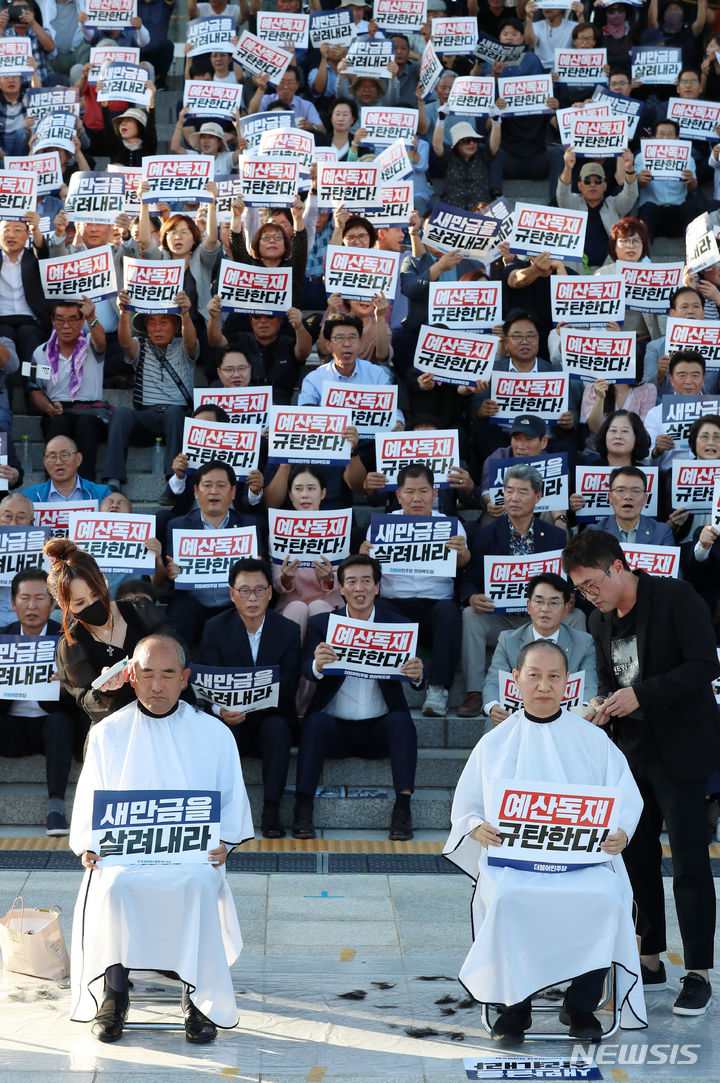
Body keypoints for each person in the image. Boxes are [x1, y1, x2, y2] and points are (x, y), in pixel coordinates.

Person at [443, 638, 645, 1041]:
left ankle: (581, 1005)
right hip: (515, 867)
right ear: (515, 680)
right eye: (533, 676)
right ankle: (514, 1008)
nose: (543, 685)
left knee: (605, 898)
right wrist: (474, 826)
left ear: (567, 683)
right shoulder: (494, 743)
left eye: (553, 677)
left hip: (582, 865)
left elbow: (626, 795)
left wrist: (622, 830)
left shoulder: (592, 739)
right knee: (504, 899)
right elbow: (466, 807)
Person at [563, 529, 720, 1016]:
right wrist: (603, 703)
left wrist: (643, 695)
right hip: (633, 752)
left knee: (691, 862)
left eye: (592, 585)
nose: (590, 596)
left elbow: (704, 665)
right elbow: (614, 677)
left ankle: (698, 972)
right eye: (583, 591)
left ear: (617, 566)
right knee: (637, 861)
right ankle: (649, 958)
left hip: (684, 749)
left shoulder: (675, 596)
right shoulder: (598, 620)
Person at [69, 634, 253, 1043]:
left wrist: (225, 841)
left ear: (184, 678)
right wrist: (88, 845)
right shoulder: (108, 733)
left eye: (167, 674)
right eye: (147, 673)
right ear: (130, 676)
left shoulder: (214, 733)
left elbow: (231, 799)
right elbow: (89, 800)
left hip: (190, 856)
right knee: (114, 884)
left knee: (201, 882)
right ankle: (114, 995)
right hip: (126, 856)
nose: (157, 685)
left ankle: (198, 998)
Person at [295, 554, 424, 841]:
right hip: (335, 728)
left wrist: (416, 675)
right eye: (351, 581)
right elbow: (306, 669)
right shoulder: (323, 624)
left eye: (366, 580)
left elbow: (414, 678)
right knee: (314, 722)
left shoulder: (398, 625)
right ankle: (303, 808)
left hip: (380, 727)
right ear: (340, 588)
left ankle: (403, 809)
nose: (359, 588)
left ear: (377, 586)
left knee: (403, 722)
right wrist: (318, 663)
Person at [199, 558, 301, 839]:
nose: (252, 598)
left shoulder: (288, 631)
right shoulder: (214, 628)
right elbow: (208, 683)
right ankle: (222, 812)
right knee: (219, 727)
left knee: (278, 728)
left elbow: (289, 683)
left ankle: (271, 810)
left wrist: (257, 701)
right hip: (231, 720)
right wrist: (220, 710)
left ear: (270, 592)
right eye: (244, 591)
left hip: (272, 716)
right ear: (232, 594)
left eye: (259, 590)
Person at [459, 465, 570, 719]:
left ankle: (569, 689)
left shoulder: (555, 536)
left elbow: (567, 581)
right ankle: (475, 692)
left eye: (522, 492)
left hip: (544, 619)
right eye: (509, 491)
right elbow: (470, 581)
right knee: (469, 615)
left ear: (538, 497)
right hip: (501, 618)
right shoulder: (485, 534)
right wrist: (473, 597)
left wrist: (568, 598)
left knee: (576, 618)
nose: (514, 498)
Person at [361, 464, 468, 719]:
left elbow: (465, 561)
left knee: (450, 612)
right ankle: (378, 690)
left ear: (434, 493)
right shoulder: (382, 527)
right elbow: (368, 571)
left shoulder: (449, 525)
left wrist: (462, 551)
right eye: (410, 492)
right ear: (398, 496)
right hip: (394, 604)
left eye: (423, 491)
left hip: (436, 607)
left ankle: (438, 689)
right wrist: (364, 555)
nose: (417, 498)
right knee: (376, 609)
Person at [47, 538, 170, 726]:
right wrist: (105, 689)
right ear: (64, 605)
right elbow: (88, 703)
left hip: (165, 715)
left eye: (96, 593)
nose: (91, 604)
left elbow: (177, 651)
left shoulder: (140, 610)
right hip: (117, 728)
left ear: (103, 579)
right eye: (80, 603)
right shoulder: (71, 646)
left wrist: (150, 660)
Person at [0, 569, 84, 836]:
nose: (32, 606)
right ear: (13, 603)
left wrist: (66, 686)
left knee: (60, 722)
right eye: (25, 598)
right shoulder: (2, 639)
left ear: (54, 603)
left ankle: (55, 806)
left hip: (53, 728)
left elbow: (85, 695)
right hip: (12, 727)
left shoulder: (69, 640)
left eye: (40, 598)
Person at [158, 459, 262, 648]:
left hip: (234, 603)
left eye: (221, 486)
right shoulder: (178, 525)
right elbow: (172, 575)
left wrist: (258, 569)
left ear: (233, 493)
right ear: (196, 492)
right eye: (207, 485)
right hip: (192, 603)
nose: (214, 491)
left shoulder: (249, 525)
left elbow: (263, 575)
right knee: (182, 610)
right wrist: (172, 572)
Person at [103, 289, 198, 490]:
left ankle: (174, 479)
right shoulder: (141, 345)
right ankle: (113, 480)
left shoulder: (183, 346)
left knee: (174, 413)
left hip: (176, 417)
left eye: (163, 322)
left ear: (175, 326)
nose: (157, 328)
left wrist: (186, 313)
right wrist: (124, 314)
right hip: (146, 416)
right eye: (152, 323)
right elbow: (125, 343)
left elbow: (191, 342)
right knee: (120, 413)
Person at [482, 573, 598, 724]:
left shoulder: (583, 642)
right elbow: (493, 681)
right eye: (539, 601)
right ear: (529, 606)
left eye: (554, 603)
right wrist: (493, 706)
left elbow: (589, 684)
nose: (545, 609)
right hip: (519, 720)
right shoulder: (508, 640)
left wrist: (583, 709)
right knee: (494, 724)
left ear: (566, 609)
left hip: (565, 720)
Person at [25, 300, 107, 481]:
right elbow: (34, 389)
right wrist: (48, 407)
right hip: (58, 409)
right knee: (57, 423)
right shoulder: (40, 352)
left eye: (72, 319)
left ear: (81, 321)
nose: (66, 326)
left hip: (90, 411)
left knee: (86, 424)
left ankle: (86, 488)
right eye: (60, 320)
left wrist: (92, 316)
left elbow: (101, 342)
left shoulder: (90, 345)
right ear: (53, 321)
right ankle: (52, 485)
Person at [271, 466, 343, 641]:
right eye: (298, 489)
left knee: (319, 606)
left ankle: (322, 666)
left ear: (323, 493)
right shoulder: (278, 529)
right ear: (290, 495)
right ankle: (291, 664)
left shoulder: (338, 525)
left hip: (329, 602)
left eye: (311, 488)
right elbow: (275, 581)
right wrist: (285, 578)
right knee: (297, 607)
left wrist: (329, 579)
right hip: (291, 605)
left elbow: (344, 577)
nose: (304, 495)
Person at [556, 153, 638, 271]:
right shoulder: (572, 204)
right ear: (579, 185)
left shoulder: (614, 205)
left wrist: (629, 169)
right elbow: (562, 192)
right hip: (575, 271)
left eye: (598, 180)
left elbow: (631, 194)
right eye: (587, 181)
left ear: (605, 186)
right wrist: (567, 168)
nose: (592, 184)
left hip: (608, 270)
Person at [588, 466, 674, 545]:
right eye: (621, 490)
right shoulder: (594, 533)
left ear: (645, 498)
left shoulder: (662, 532)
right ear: (610, 497)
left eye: (635, 491)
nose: (628, 497)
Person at [23, 435, 111, 504]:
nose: (58, 462)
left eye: (64, 455)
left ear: (78, 459)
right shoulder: (29, 496)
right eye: (52, 457)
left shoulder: (102, 494)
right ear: (45, 462)